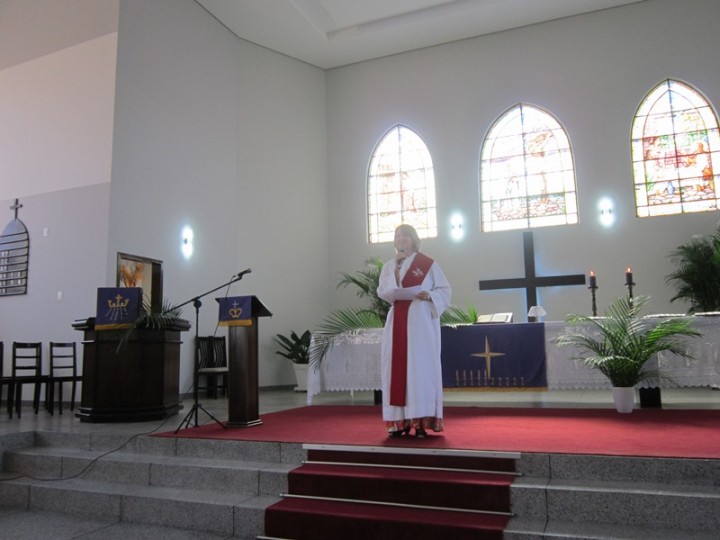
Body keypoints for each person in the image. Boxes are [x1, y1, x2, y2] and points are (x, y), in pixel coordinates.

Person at [377, 224, 451, 438]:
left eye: (405, 236)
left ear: (413, 239)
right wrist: (393, 289)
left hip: (420, 320)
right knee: (396, 368)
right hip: (397, 317)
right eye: (398, 236)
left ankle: (420, 422)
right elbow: (382, 291)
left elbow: (445, 290)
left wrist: (429, 296)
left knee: (420, 369)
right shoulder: (390, 266)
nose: (401, 240)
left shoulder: (428, 264)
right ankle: (399, 423)